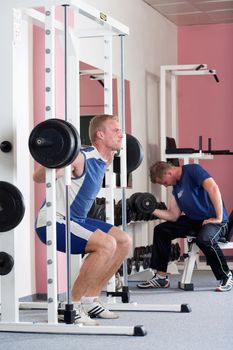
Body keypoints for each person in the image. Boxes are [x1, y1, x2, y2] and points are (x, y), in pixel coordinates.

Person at [33, 115, 132, 325]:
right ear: (100, 135)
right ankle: (71, 305)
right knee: (107, 244)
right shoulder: (82, 156)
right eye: (115, 130)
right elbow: (39, 177)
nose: (121, 134)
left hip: (76, 219)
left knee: (123, 241)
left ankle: (90, 300)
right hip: (54, 220)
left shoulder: (106, 160)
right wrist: (58, 163)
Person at [137, 161, 233, 292]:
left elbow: (213, 188)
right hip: (195, 221)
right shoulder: (176, 189)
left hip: (216, 220)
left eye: (163, 182)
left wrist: (218, 217)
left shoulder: (192, 170)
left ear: (168, 172)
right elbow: (173, 215)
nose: (165, 186)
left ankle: (226, 275)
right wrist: (149, 210)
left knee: (205, 239)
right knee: (161, 230)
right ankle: (161, 277)